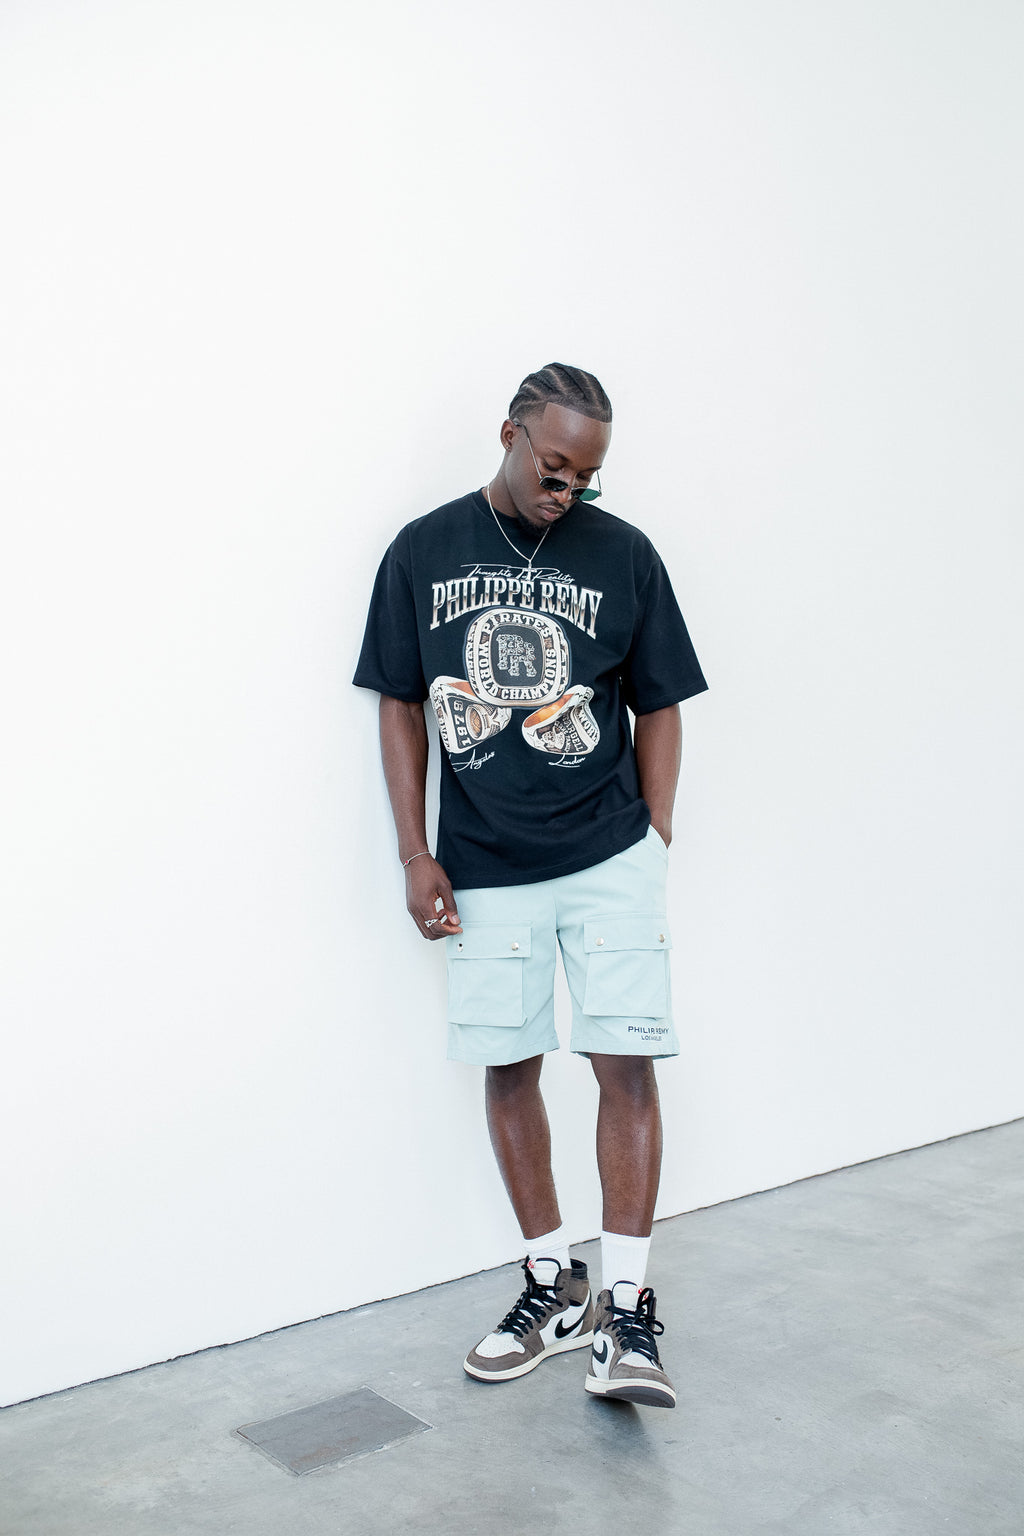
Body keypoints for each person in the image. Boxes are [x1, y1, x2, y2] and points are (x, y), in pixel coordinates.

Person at [353, 363, 707, 1409]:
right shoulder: (423, 550)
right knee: (508, 1066)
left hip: (608, 854)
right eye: (554, 469)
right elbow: (400, 703)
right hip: (483, 862)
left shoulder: (624, 553)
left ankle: (627, 1311)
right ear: (509, 434)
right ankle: (553, 1287)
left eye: (586, 478)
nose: (568, 491)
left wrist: (654, 833)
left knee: (625, 1064)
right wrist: (413, 852)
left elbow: (661, 700)